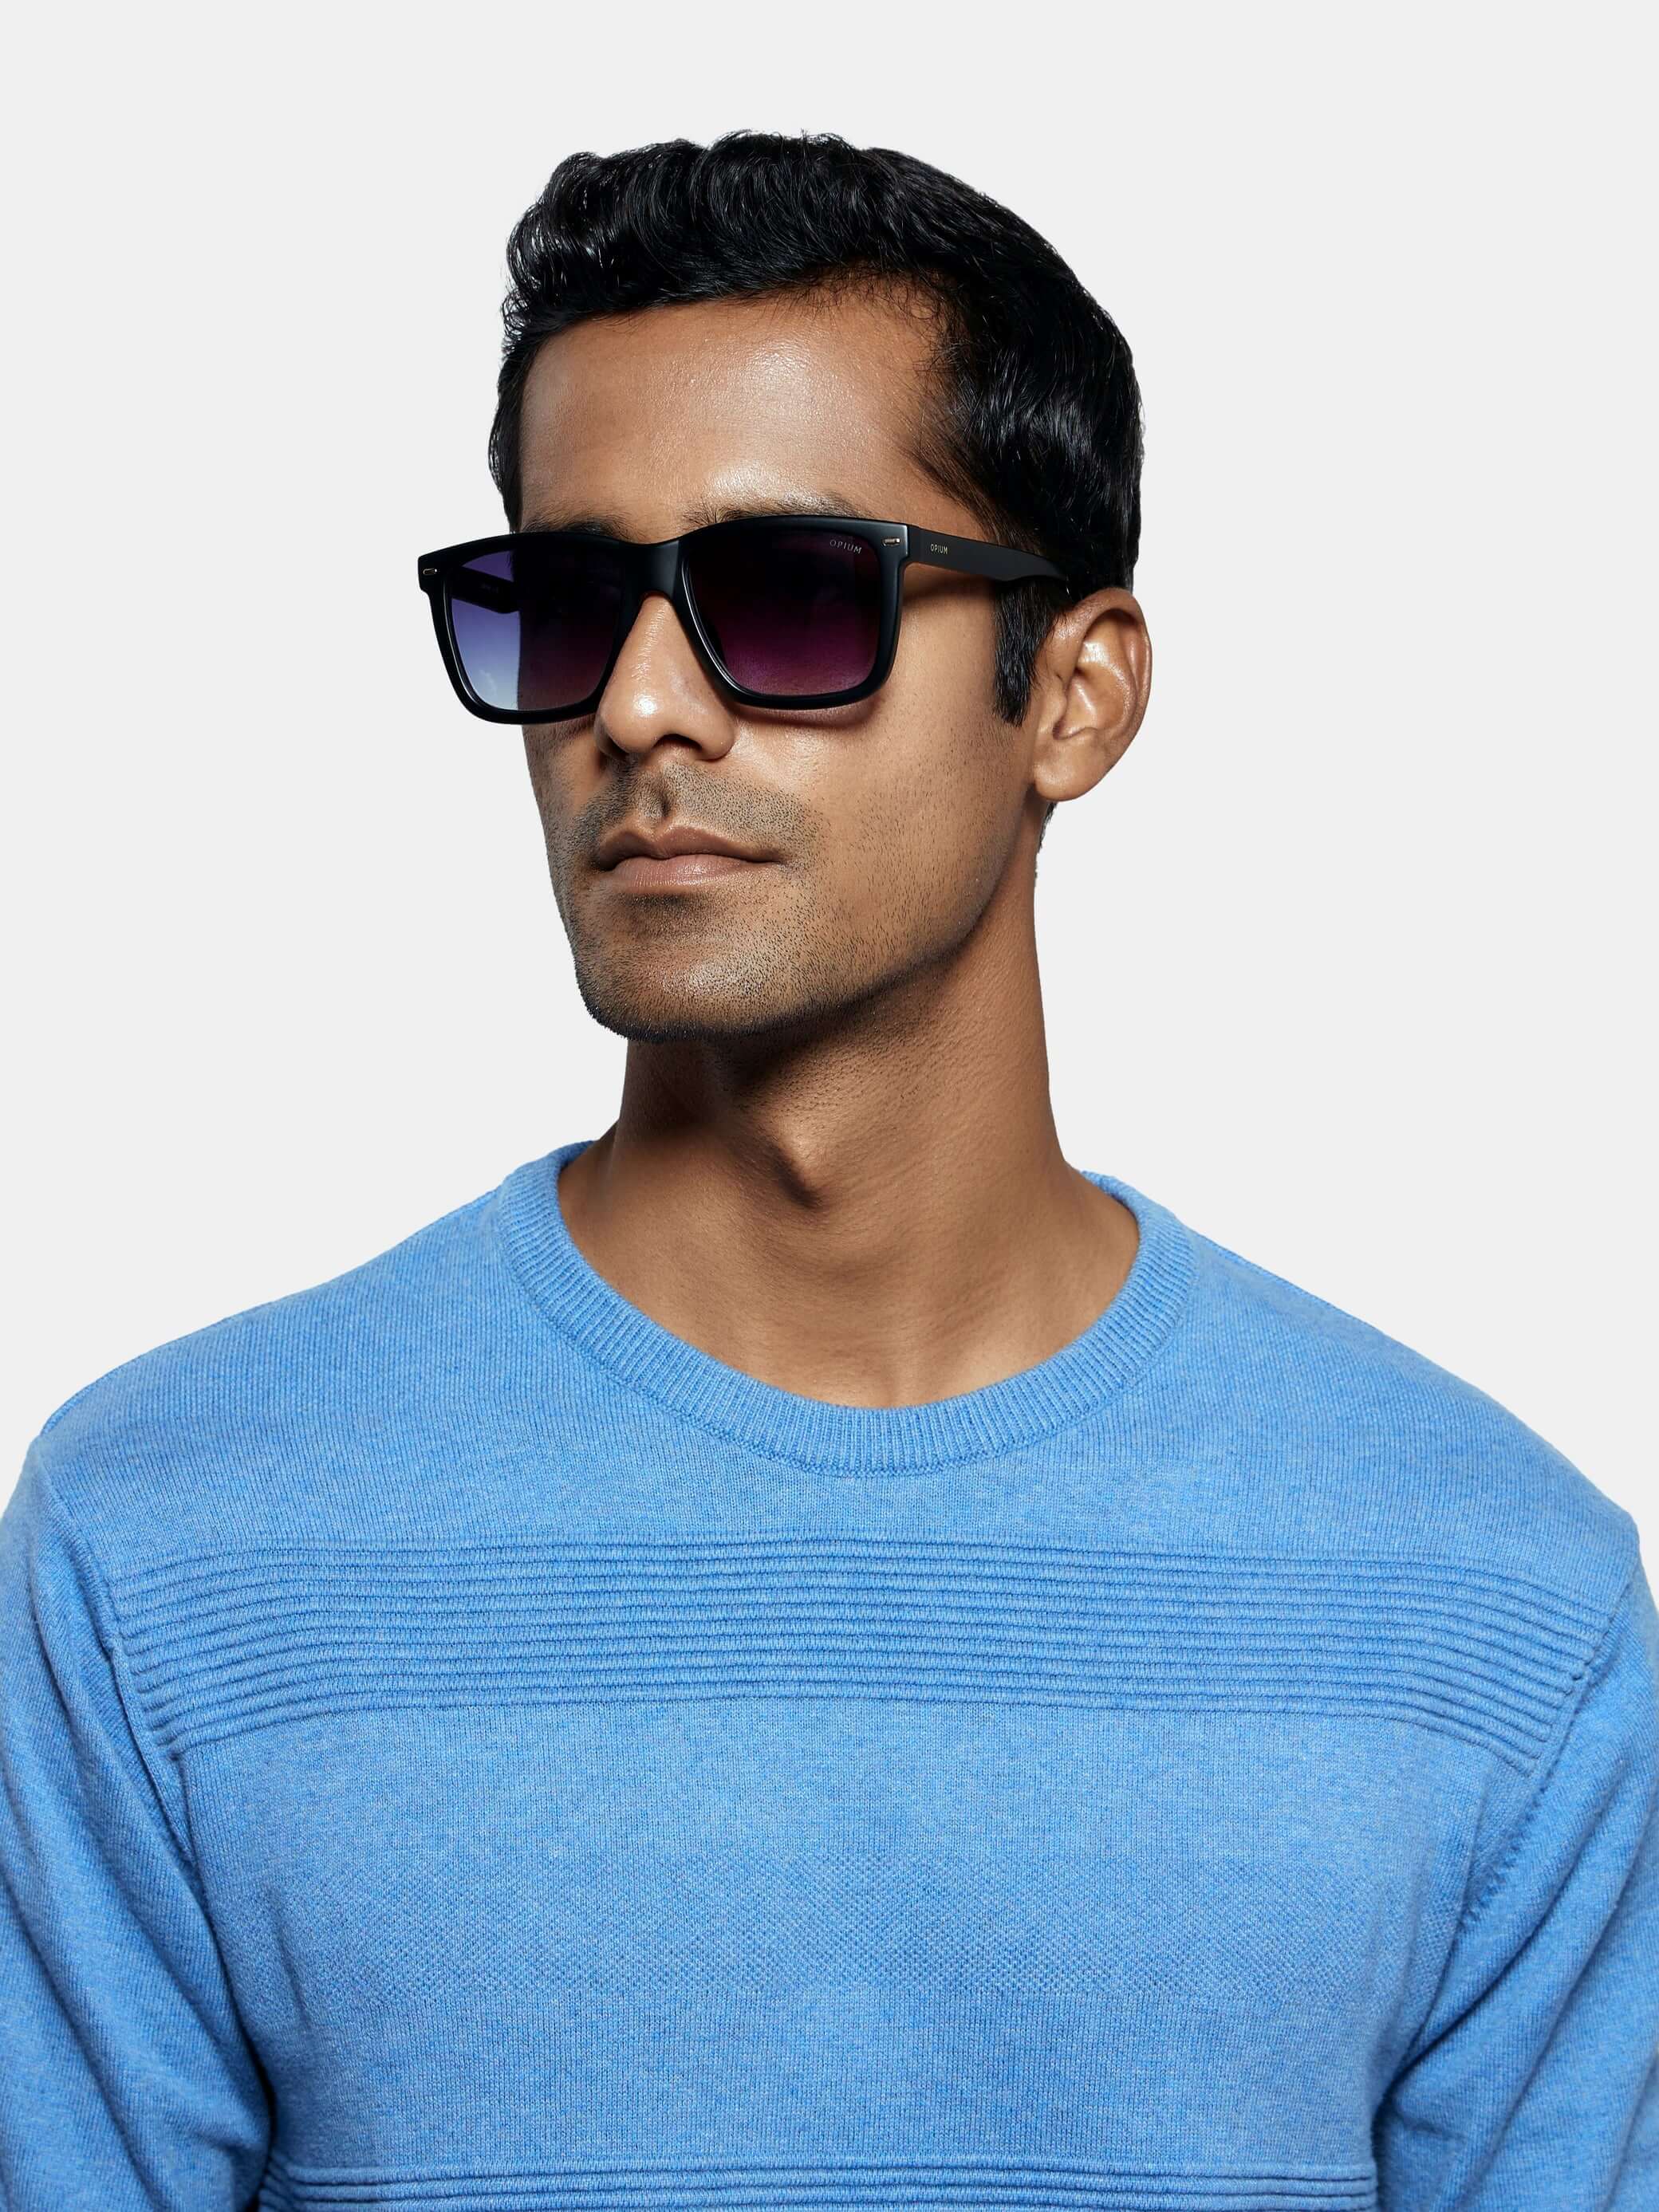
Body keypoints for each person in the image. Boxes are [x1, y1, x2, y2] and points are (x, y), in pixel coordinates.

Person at [2, 128, 1654, 2211]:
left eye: (788, 597)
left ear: (1076, 696)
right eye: (569, 605)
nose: (641, 708)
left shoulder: (1489, 1601)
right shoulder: (166, 1546)